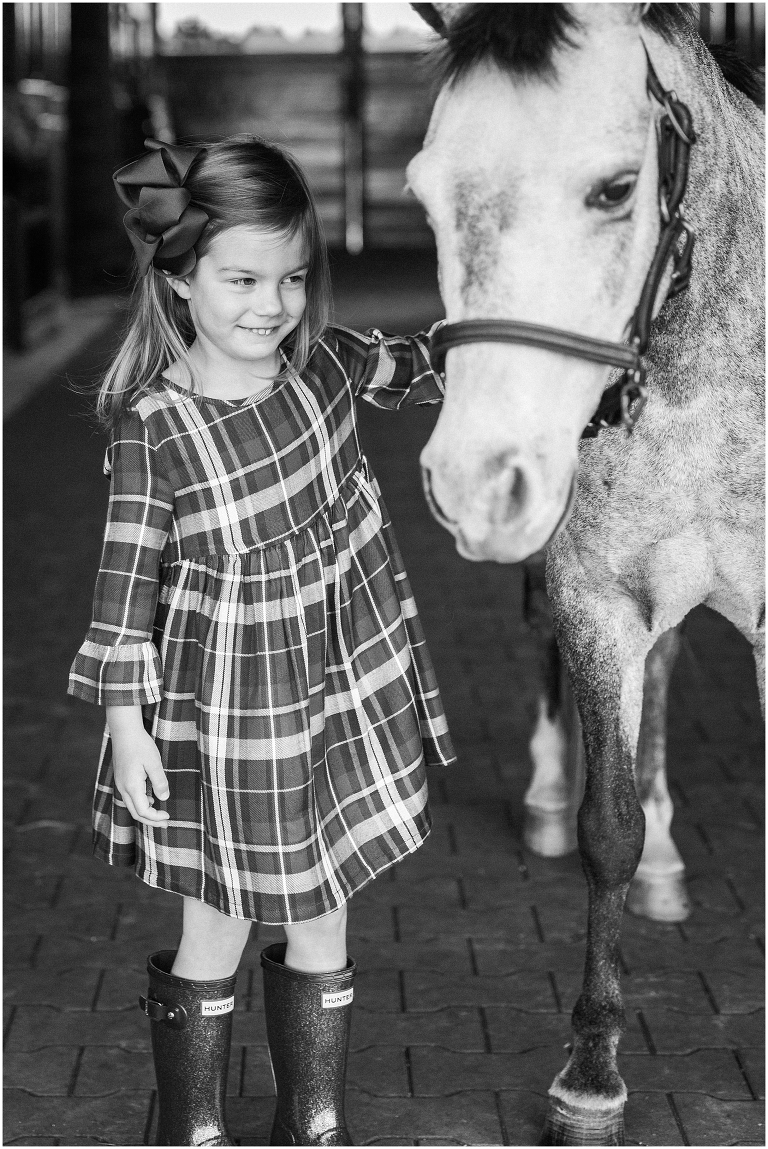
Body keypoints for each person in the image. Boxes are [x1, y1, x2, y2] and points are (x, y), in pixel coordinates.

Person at [68, 136, 455, 1147]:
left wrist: (502, 358)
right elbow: (123, 593)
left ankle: (312, 1119)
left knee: (324, 909)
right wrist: (128, 726)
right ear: (183, 277)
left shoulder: (320, 362)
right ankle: (190, 1127)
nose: (271, 304)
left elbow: (415, 366)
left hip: (334, 696)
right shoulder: (158, 424)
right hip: (230, 721)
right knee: (218, 923)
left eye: (291, 277)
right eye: (242, 277)